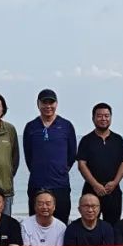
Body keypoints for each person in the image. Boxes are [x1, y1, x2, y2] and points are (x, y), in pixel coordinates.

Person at [23, 89, 77, 222]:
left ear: (56, 104)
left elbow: (72, 154)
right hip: (37, 184)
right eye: (44, 103)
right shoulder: (31, 127)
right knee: (36, 223)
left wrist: (60, 170)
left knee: (61, 224)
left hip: (60, 185)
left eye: (51, 102)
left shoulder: (66, 126)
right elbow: (28, 155)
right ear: (38, 104)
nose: (48, 106)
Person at [77, 103, 123, 225]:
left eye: (106, 115)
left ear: (111, 117)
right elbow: (81, 164)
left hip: (113, 190)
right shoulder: (86, 140)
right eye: (99, 116)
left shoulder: (118, 139)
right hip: (91, 189)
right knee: (89, 223)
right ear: (93, 118)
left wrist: (115, 182)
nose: (103, 119)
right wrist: (95, 184)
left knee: (113, 225)